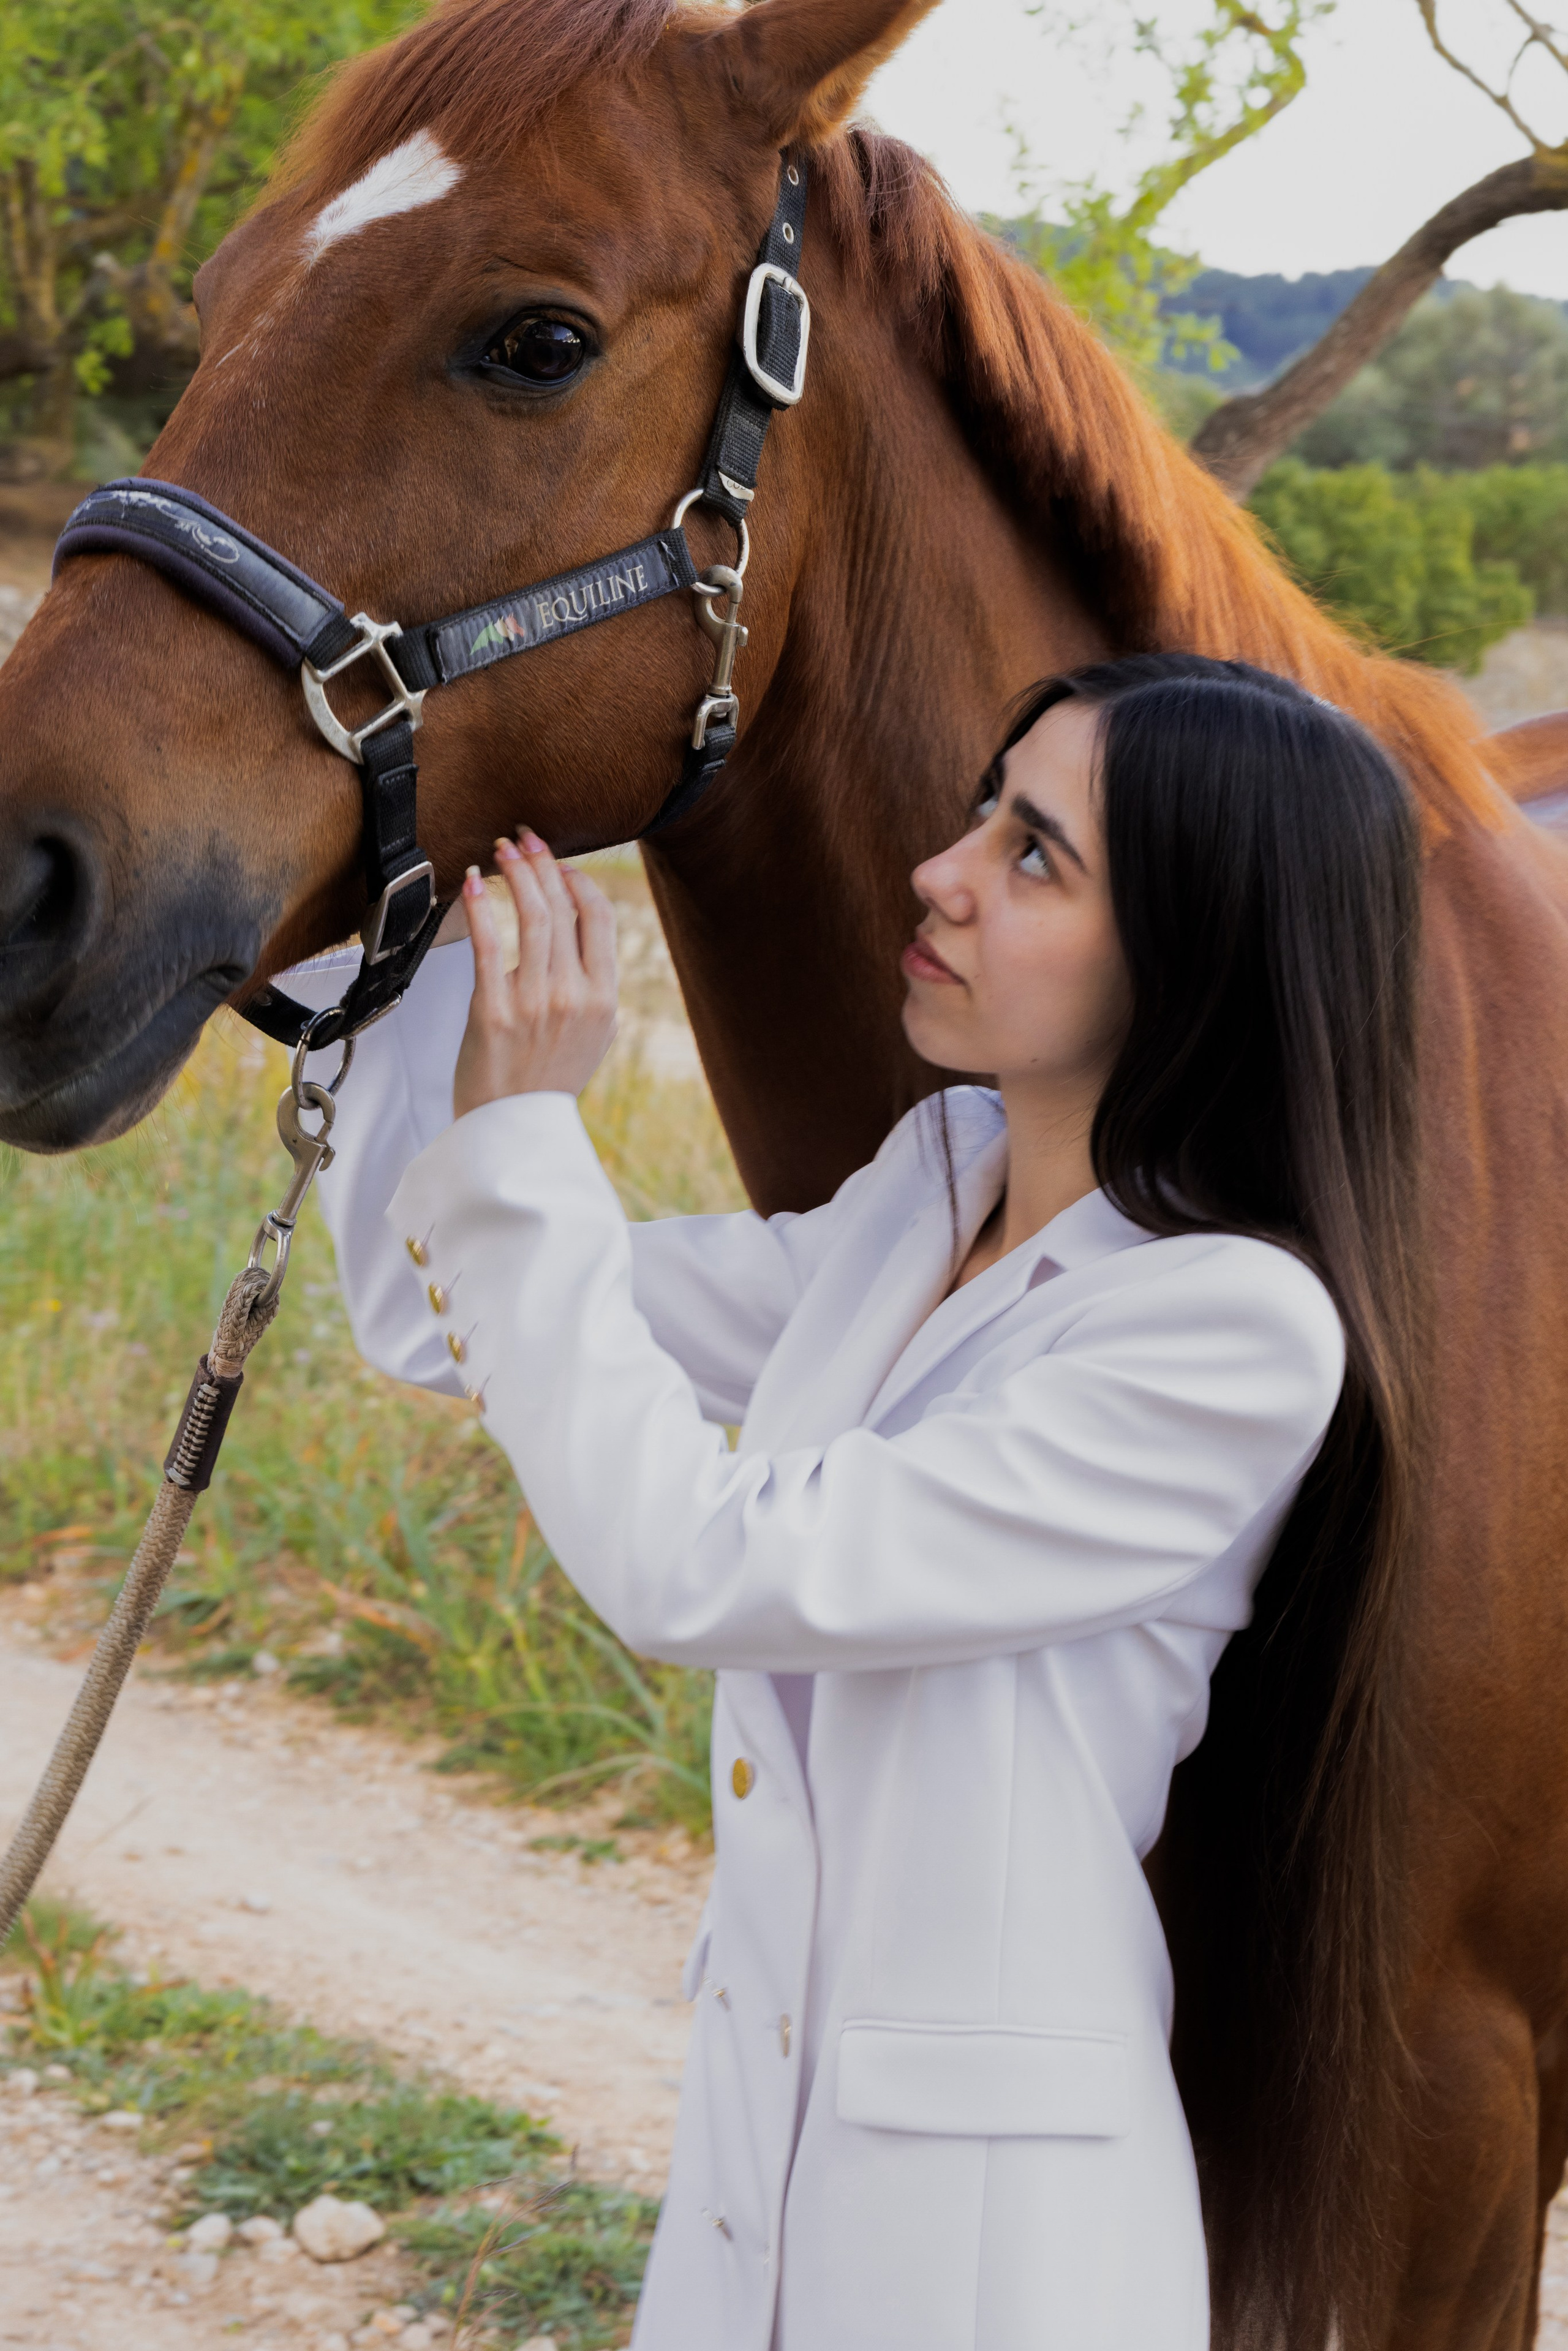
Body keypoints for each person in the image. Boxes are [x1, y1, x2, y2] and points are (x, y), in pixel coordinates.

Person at [284, 653, 1422, 2351]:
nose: (940, 872)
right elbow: (426, 1300)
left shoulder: (1231, 1336)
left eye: (1035, 855)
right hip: (759, 2179)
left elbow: (695, 1568)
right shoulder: (929, 1189)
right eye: (988, 809)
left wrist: (534, 1131)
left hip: (989, 2261)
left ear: (1197, 950)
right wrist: (378, 939)